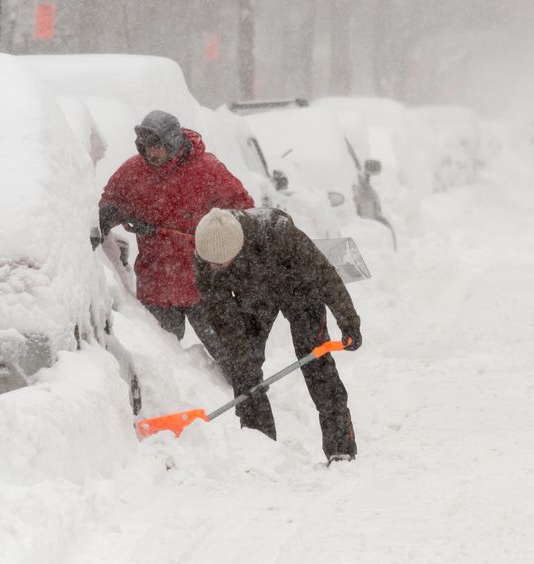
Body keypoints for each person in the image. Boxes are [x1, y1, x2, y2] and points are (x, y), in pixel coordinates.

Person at [192, 207, 361, 464]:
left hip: (300, 290)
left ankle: (341, 447)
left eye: (220, 264)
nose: (213, 268)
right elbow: (220, 313)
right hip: (255, 298)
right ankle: (259, 448)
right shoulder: (206, 253)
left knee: (315, 361)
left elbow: (325, 275)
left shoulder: (279, 233)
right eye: (210, 263)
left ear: (237, 250)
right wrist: (243, 359)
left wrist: (348, 321)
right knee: (243, 370)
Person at [98, 110, 254, 359]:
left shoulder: (207, 170)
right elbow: (109, 202)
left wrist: (215, 230)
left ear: (172, 142)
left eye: (157, 146)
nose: (151, 153)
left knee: (232, 358)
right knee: (164, 364)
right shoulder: (133, 172)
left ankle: (247, 393)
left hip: (204, 284)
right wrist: (112, 214)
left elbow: (242, 210)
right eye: (146, 147)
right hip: (157, 285)